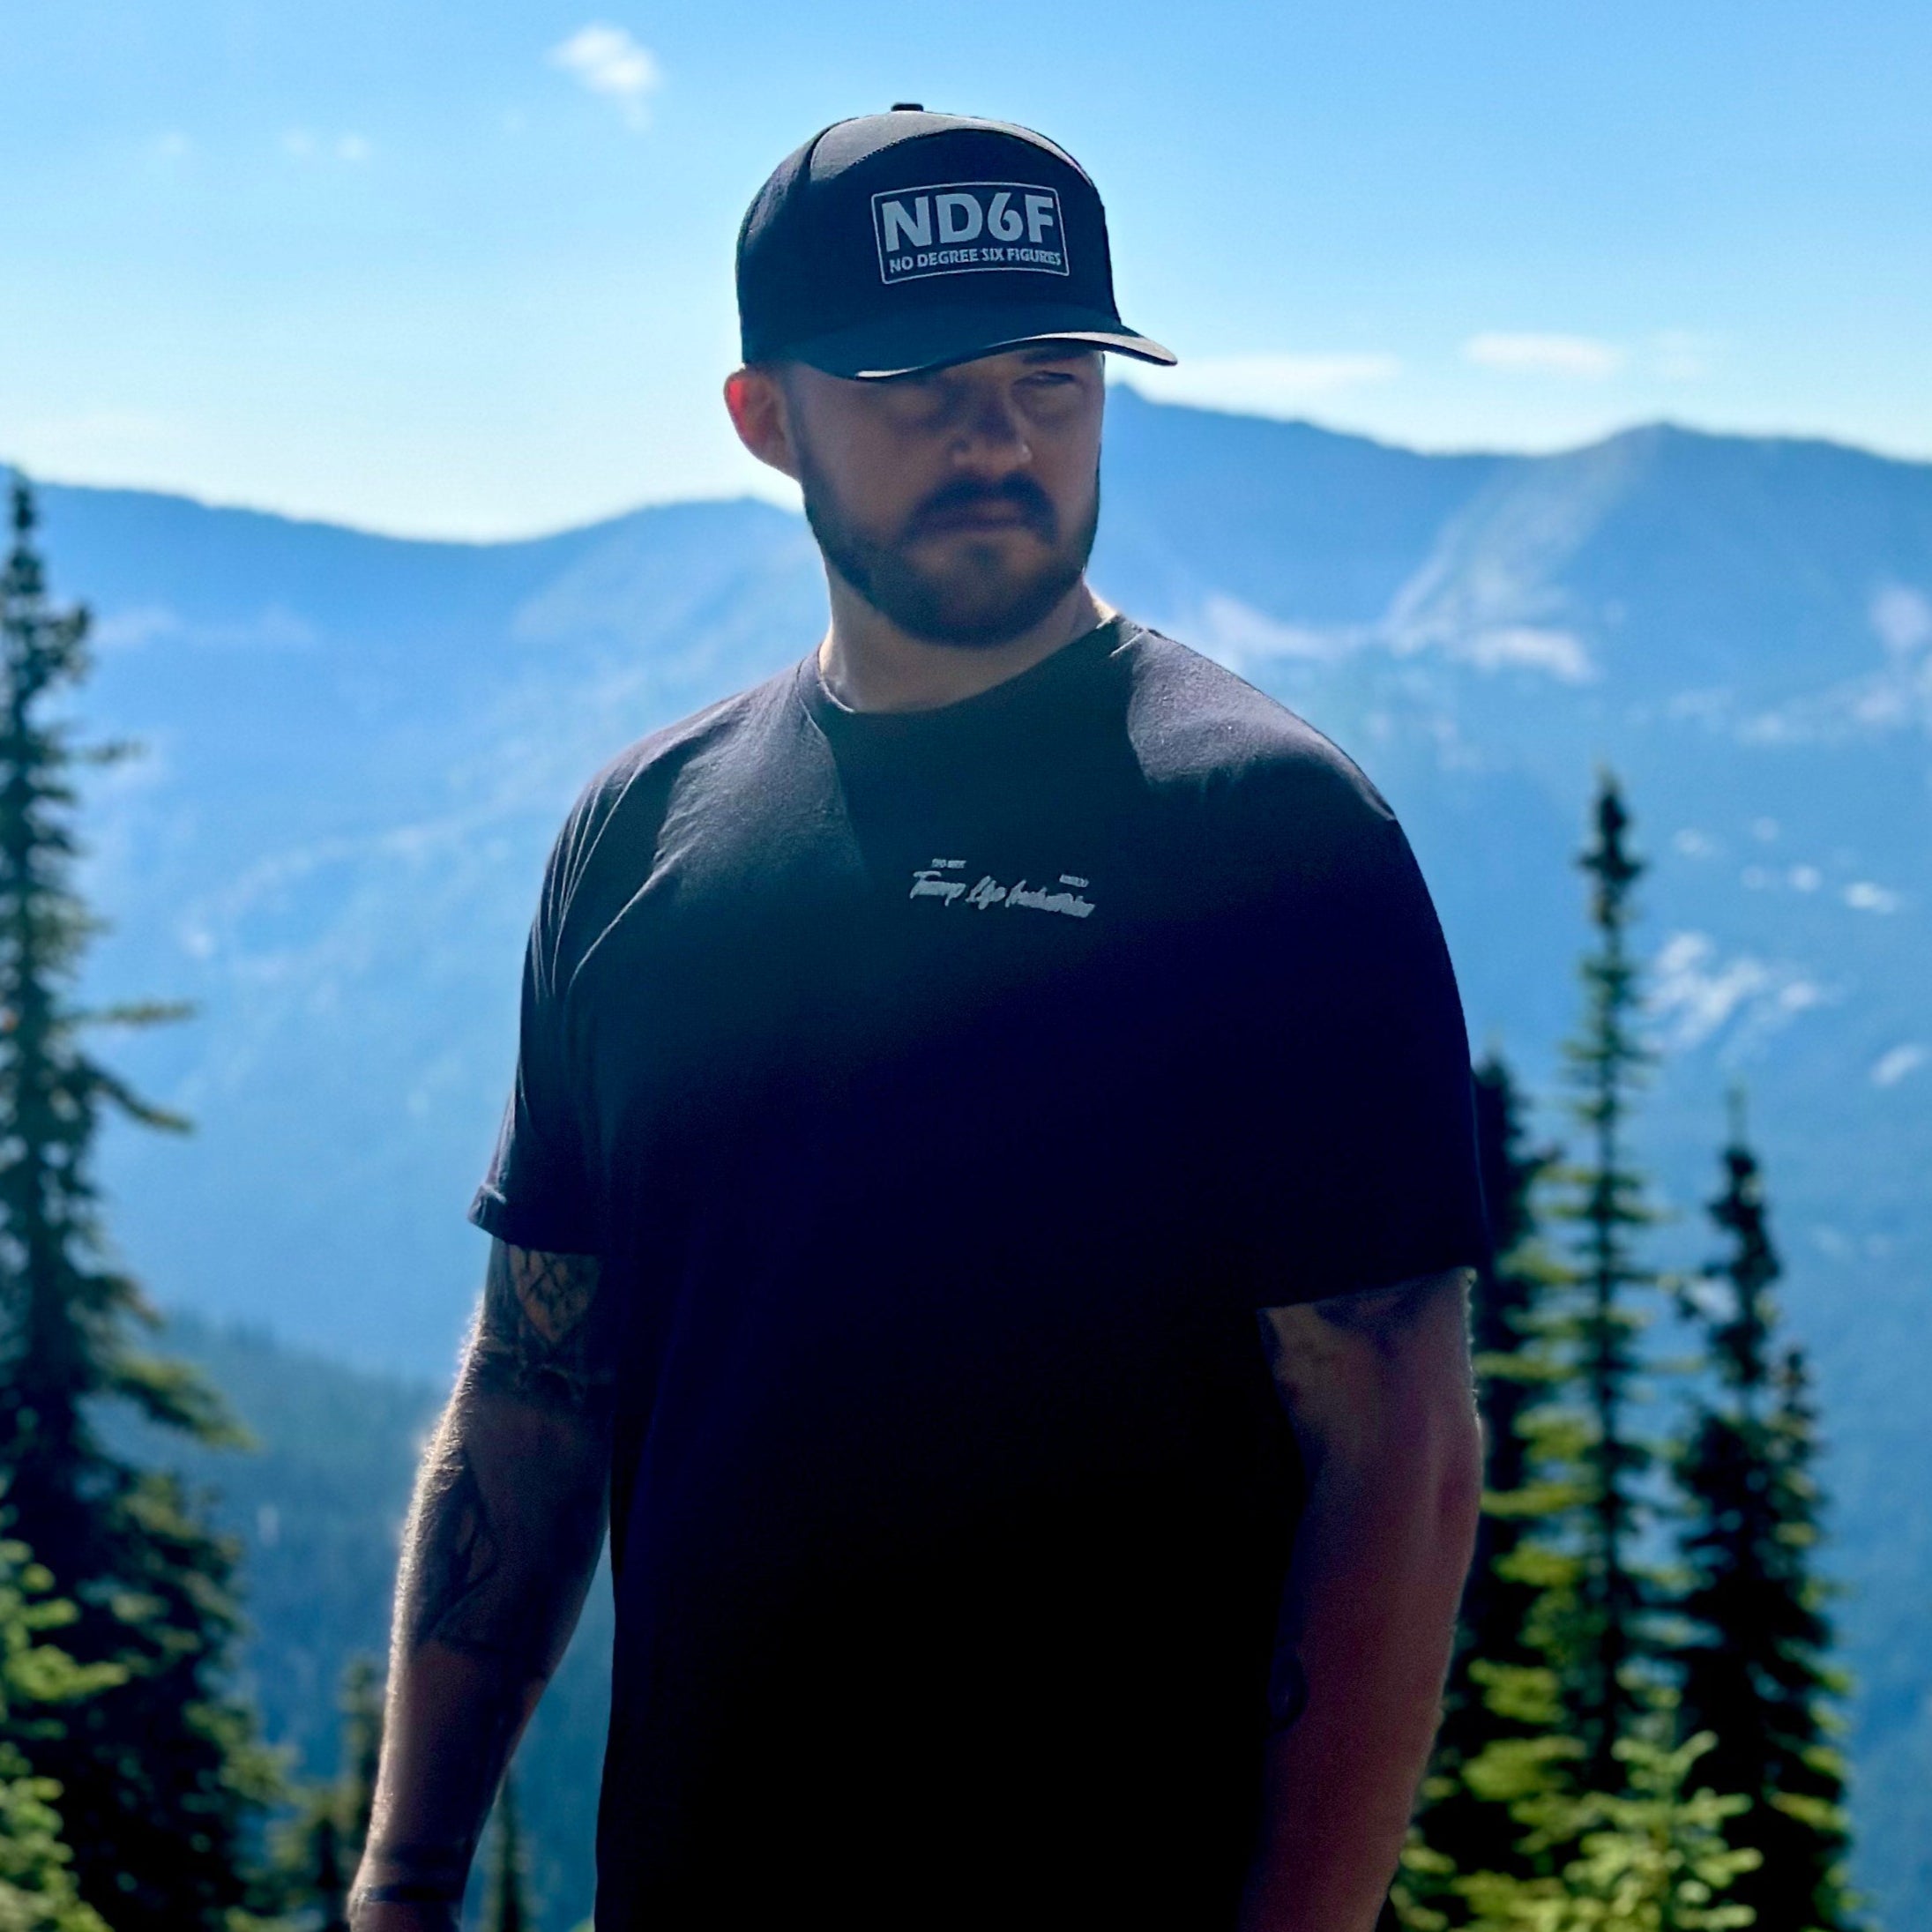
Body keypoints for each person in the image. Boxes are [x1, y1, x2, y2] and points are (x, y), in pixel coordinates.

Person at [351, 106, 1489, 1932]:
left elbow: (1396, 1455)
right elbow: (540, 1379)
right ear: (763, 417)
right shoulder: (638, 833)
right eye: (915, 382)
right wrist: (404, 1873)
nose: (997, 437)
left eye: (1053, 376)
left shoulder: (1265, 835)